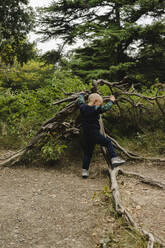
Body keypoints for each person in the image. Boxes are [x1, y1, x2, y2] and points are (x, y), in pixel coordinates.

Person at [78, 92, 125, 178]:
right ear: (95, 101)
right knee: (107, 142)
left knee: (88, 153)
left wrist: (81, 95)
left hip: (85, 135)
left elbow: (80, 101)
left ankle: (84, 171)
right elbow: (106, 108)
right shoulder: (95, 109)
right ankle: (114, 158)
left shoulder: (82, 107)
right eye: (100, 103)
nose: (100, 105)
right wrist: (111, 101)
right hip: (95, 134)